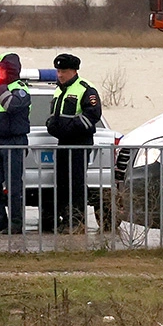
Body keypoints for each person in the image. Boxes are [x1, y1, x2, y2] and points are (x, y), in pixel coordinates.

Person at [45, 53, 101, 233]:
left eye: (64, 71)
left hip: (79, 142)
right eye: (58, 71)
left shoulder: (85, 89)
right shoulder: (58, 90)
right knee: (62, 183)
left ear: (74, 71)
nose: (60, 75)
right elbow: (53, 115)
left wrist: (69, 127)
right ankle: (66, 219)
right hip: (62, 142)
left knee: (76, 183)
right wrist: (51, 126)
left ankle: (78, 222)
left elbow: (92, 115)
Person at [0, 53, 31, 233]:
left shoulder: (20, 88)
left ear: (9, 69)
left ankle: (16, 224)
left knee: (13, 185)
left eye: (1, 68)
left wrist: (1, 89)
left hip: (14, 142)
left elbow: (12, 106)